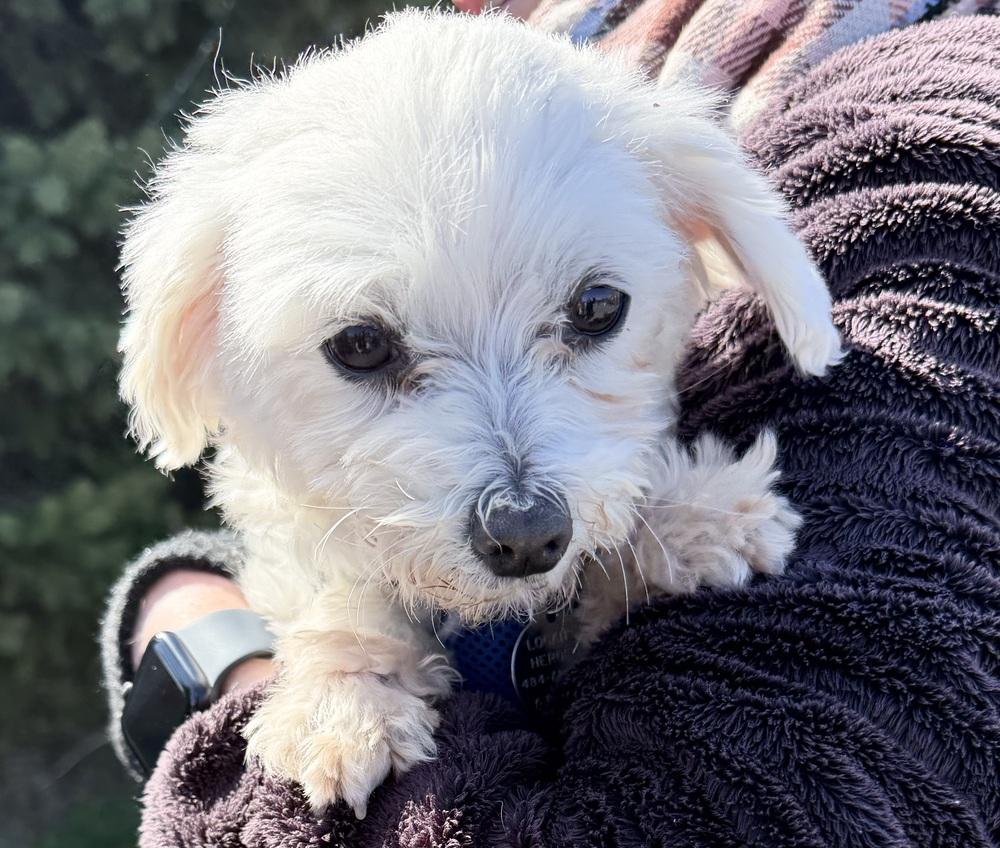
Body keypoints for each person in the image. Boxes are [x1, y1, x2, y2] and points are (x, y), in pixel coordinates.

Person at [103, 1, 1000, 844]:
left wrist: (203, 637)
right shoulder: (553, 65)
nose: (522, 509)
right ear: (196, 326)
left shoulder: (921, 112)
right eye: (368, 349)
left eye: (593, 313)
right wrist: (334, 652)